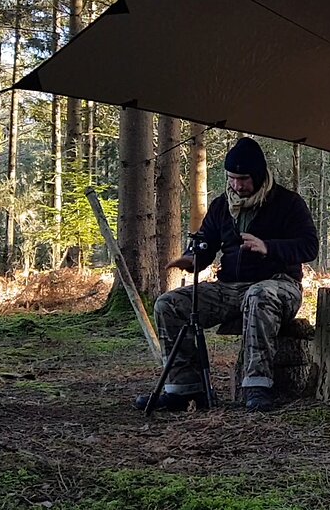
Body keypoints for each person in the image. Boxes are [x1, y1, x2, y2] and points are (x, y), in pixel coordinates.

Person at [135, 137, 318, 412]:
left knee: (259, 294)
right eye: (232, 178)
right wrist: (191, 258)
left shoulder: (288, 203)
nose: (237, 185)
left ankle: (257, 386)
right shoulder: (222, 205)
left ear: (258, 175)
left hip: (280, 284)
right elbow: (206, 243)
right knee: (168, 304)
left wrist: (268, 247)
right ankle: (184, 389)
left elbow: (309, 247)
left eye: (243, 179)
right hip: (230, 287)